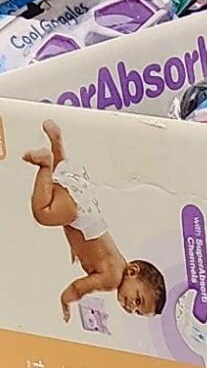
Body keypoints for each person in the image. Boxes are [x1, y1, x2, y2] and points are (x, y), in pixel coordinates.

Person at [23, 120, 167, 322]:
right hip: (78, 213)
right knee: (43, 212)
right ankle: (45, 165)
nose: (130, 307)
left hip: (86, 207)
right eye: (138, 300)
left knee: (62, 173)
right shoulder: (112, 279)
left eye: (136, 311)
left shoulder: (117, 262)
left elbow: (88, 241)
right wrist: (66, 301)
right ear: (133, 271)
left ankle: (56, 141)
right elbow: (79, 287)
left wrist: (76, 249)